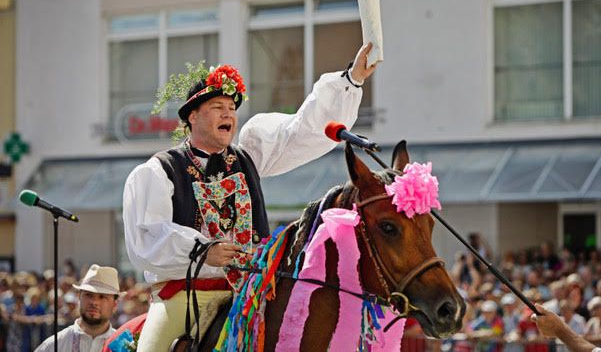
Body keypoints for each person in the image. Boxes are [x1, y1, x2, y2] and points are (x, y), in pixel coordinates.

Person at [123, 43, 376, 351]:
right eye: (218, 108)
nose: (228, 114)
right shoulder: (161, 170)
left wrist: (351, 81)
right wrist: (202, 251)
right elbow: (148, 235)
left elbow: (301, 131)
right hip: (187, 297)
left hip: (251, 296)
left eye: (232, 109)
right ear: (192, 116)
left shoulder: (249, 157)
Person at [35, 264, 121, 352]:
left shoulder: (125, 346)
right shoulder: (54, 346)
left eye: (102, 297)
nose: (94, 302)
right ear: (79, 297)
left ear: (114, 304)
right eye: (88, 295)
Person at [531, 303, 601, 352]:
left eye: (566, 310)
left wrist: (560, 331)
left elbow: (586, 339)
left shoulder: (579, 320)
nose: (565, 312)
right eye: (563, 310)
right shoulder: (560, 319)